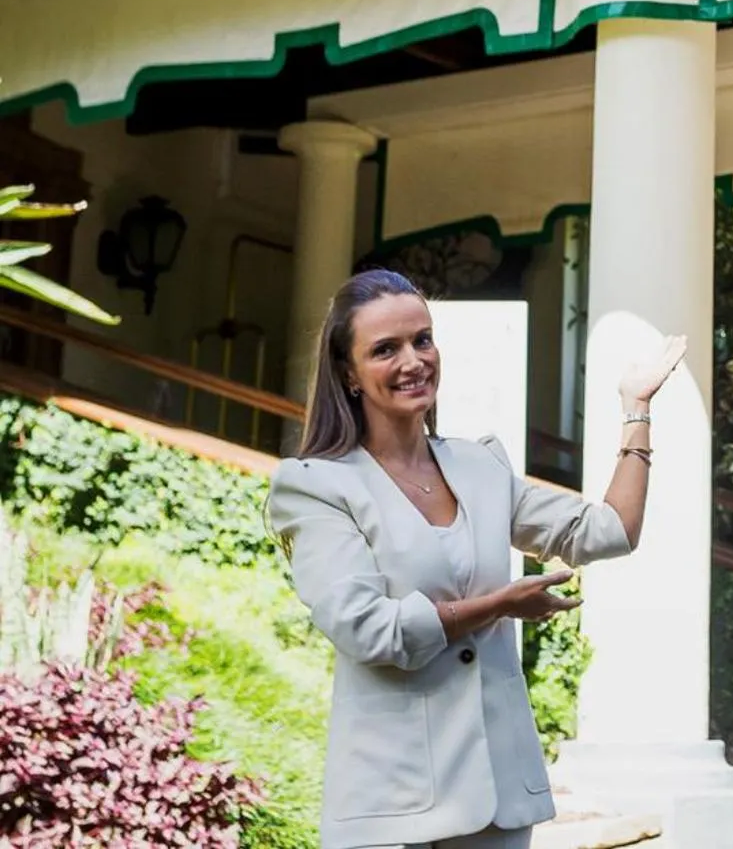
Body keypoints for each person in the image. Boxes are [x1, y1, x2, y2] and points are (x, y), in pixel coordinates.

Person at [266, 268, 686, 849]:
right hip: (393, 806)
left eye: (423, 339)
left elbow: (611, 529)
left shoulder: (480, 467)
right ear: (348, 372)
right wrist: (496, 606)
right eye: (385, 349)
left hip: (498, 798)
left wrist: (635, 408)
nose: (413, 360)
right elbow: (367, 630)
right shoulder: (317, 487)